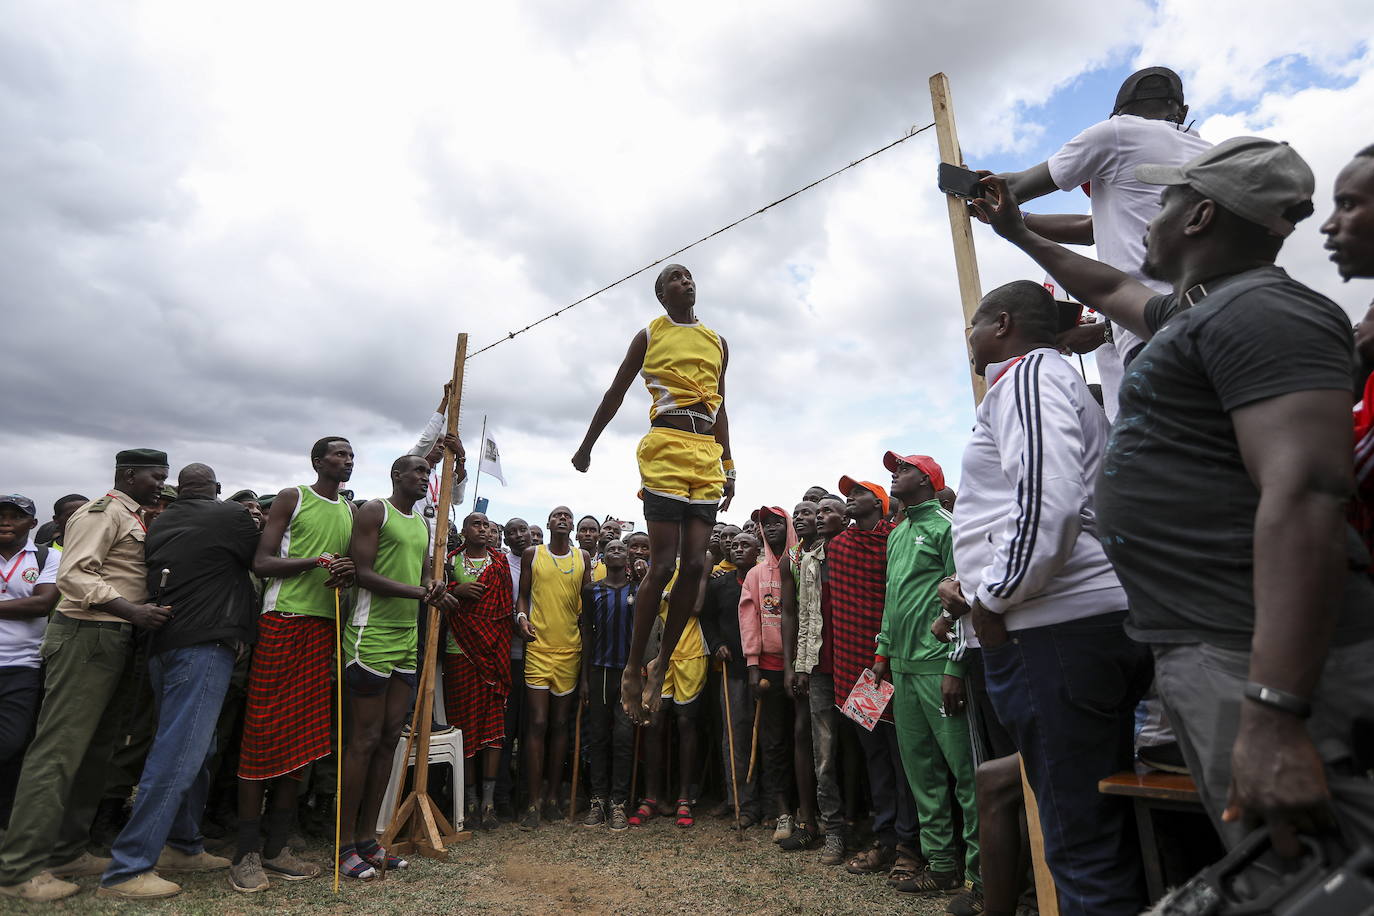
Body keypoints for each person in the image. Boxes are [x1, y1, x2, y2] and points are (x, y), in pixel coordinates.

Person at [981, 139, 1374, 859]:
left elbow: (1308, 498)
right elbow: (1108, 288)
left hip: (1250, 654)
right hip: (1213, 647)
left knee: (1314, 876)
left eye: (1160, 203)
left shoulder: (1264, 315)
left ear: (1196, 218)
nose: (1142, 223)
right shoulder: (1199, 313)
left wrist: (1275, 711)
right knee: (1275, 874)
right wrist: (1019, 234)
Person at [940, 277, 1152, 916]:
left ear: (1001, 324)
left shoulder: (1028, 377)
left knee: (1081, 850)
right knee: (1097, 828)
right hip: (1070, 627)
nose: (969, 339)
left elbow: (1049, 501)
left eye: (974, 324)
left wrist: (990, 600)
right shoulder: (1053, 382)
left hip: (1053, 631)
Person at [987, 66, 1211, 420]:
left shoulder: (1114, 134)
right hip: (1213, 319)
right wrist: (1025, 221)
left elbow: (1014, 188)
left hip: (1150, 326)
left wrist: (979, 191)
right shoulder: (1205, 152)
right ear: (1180, 111)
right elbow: (1092, 228)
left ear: (1116, 112)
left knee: (1161, 459)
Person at [0, 450, 170, 903]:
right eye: (156, 475)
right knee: (57, 752)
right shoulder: (102, 512)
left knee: (97, 750)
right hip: (87, 634)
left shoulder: (131, 515)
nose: (161, 482)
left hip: (114, 638)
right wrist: (131, 609)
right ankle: (19, 867)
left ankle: (66, 850)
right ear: (129, 474)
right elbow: (76, 575)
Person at [572, 263, 735, 721]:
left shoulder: (718, 342)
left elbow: (721, 407)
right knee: (662, 564)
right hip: (664, 449)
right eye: (674, 279)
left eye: (689, 276)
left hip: (706, 454)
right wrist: (587, 446)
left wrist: (729, 462)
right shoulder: (649, 334)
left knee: (697, 562)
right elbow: (615, 392)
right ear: (662, 295)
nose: (686, 281)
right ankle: (631, 664)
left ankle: (661, 660)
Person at [98, 464, 258, 899]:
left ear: (178, 490)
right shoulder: (230, 516)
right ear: (217, 489)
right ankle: (128, 868)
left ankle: (183, 844)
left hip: (164, 645)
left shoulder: (162, 520)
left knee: (196, 747)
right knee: (179, 753)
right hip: (204, 644)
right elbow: (260, 560)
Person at [231, 437, 357, 893]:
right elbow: (262, 562)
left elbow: (349, 566)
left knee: (303, 742)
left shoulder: (348, 510)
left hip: (326, 627)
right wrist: (316, 561)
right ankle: (245, 853)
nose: (347, 460)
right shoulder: (293, 497)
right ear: (318, 461)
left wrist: (344, 571)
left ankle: (277, 848)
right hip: (283, 622)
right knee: (262, 735)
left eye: (351, 455)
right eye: (339, 454)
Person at [873, 453, 980, 909]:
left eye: (904, 468)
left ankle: (980, 875)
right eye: (894, 468)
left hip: (940, 668)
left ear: (929, 479)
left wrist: (956, 667)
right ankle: (941, 866)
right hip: (901, 667)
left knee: (965, 774)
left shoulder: (947, 526)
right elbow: (892, 596)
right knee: (921, 773)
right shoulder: (896, 533)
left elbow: (965, 594)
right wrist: (882, 651)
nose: (895, 474)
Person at [335, 455, 438, 879]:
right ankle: (342, 845)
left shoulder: (423, 523)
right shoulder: (376, 510)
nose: (424, 478)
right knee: (363, 739)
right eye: (418, 471)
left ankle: (368, 840)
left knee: (390, 739)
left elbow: (427, 571)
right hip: (370, 633)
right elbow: (362, 573)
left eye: (427, 473)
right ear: (397, 475)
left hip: (406, 638)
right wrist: (420, 592)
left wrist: (433, 584)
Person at [829, 480, 923, 888]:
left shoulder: (895, 538)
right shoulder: (837, 547)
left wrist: (887, 655)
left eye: (859, 491)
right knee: (877, 760)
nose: (850, 496)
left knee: (907, 762)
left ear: (880, 502)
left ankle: (911, 846)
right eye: (847, 493)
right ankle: (886, 840)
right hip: (857, 672)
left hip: (896, 661)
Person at [515, 506, 591, 829]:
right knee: (538, 722)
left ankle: (552, 799)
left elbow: (588, 609)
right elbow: (522, 598)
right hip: (538, 649)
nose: (562, 519)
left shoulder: (583, 558)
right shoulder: (534, 553)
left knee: (560, 725)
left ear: (572, 526)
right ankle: (532, 802)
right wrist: (521, 619)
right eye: (557, 515)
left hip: (569, 650)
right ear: (547, 524)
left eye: (567, 516)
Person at [781, 499, 846, 865]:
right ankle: (831, 829)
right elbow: (797, 614)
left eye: (822, 511)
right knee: (824, 752)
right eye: (808, 512)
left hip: (857, 664)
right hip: (819, 668)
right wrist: (798, 666)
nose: (816, 517)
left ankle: (874, 828)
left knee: (867, 750)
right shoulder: (800, 559)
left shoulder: (852, 549)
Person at [443, 511, 513, 832]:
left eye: (487, 525)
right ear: (465, 531)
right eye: (476, 524)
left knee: (493, 728)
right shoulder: (451, 562)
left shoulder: (499, 565)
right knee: (464, 726)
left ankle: (488, 805)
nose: (483, 529)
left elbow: (505, 611)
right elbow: (436, 594)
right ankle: (467, 803)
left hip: (494, 655)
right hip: (460, 653)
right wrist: (456, 590)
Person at [633, 552, 710, 828]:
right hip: (659, 651)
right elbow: (647, 606)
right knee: (654, 722)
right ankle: (651, 797)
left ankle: (683, 798)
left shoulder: (702, 555)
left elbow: (696, 605)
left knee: (686, 723)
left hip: (691, 651)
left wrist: (661, 592)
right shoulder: (658, 558)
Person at [738, 506, 798, 842]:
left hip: (804, 667)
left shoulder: (803, 564)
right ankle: (782, 810)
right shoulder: (756, 574)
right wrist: (752, 665)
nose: (771, 527)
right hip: (769, 670)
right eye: (765, 524)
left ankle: (808, 809)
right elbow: (749, 621)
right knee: (773, 742)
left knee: (801, 739)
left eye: (777, 522)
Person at [0, 496, 59, 830]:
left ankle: (9, 819)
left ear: (32, 524)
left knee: (13, 742)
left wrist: (29, 603)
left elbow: (42, 604)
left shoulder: (47, 555)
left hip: (23, 664)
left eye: (15, 516)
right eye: (1, 516)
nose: (5, 522)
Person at [700, 532, 758, 827]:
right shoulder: (719, 584)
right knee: (734, 736)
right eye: (734, 545)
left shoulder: (766, 580)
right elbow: (706, 618)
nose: (737, 549)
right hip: (732, 670)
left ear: (757, 550)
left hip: (765, 669)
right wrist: (716, 642)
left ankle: (771, 804)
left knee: (765, 736)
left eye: (744, 545)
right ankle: (739, 801)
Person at [579, 538, 637, 830]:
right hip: (600, 671)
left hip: (629, 673)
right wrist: (585, 676)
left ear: (627, 556)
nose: (616, 552)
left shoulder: (638, 590)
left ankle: (619, 802)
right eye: (611, 549)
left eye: (621, 549)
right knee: (599, 736)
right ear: (603, 555)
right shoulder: (593, 590)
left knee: (624, 738)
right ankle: (598, 799)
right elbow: (587, 634)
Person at [494, 517, 532, 820]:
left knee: (530, 729)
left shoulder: (540, 561)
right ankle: (501, 797)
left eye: (523, 530)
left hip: (538, 657)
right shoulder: (501, 564)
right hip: (507, 656)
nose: (519, 536)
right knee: (505, 732)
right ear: (504, 538)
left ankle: (526, 797)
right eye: (512, 532)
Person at [577, 516, 604, 580]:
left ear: (599, 536)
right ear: (576, 536)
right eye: (583, 530)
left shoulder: (606, 563)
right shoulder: (569, 560)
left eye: (592, 530)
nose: (588, 534)